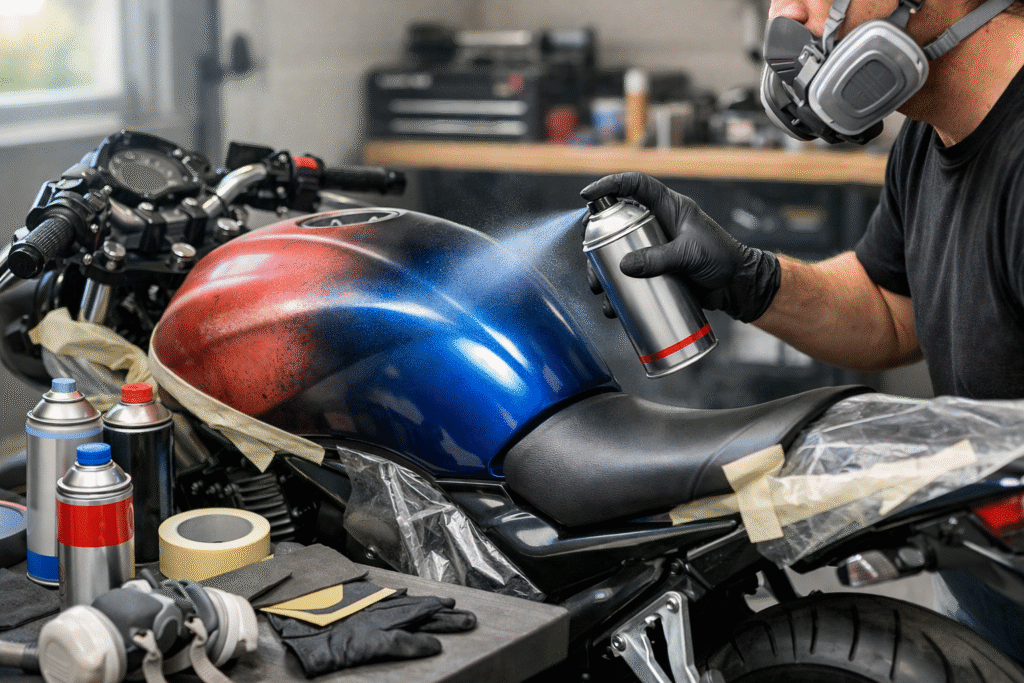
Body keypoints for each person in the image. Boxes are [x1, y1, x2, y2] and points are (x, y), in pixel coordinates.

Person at [581, 0, 1024, 663]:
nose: (787, 13)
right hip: (991, 582)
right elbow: (888, 308)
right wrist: (752, 281)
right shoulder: (931, 138)